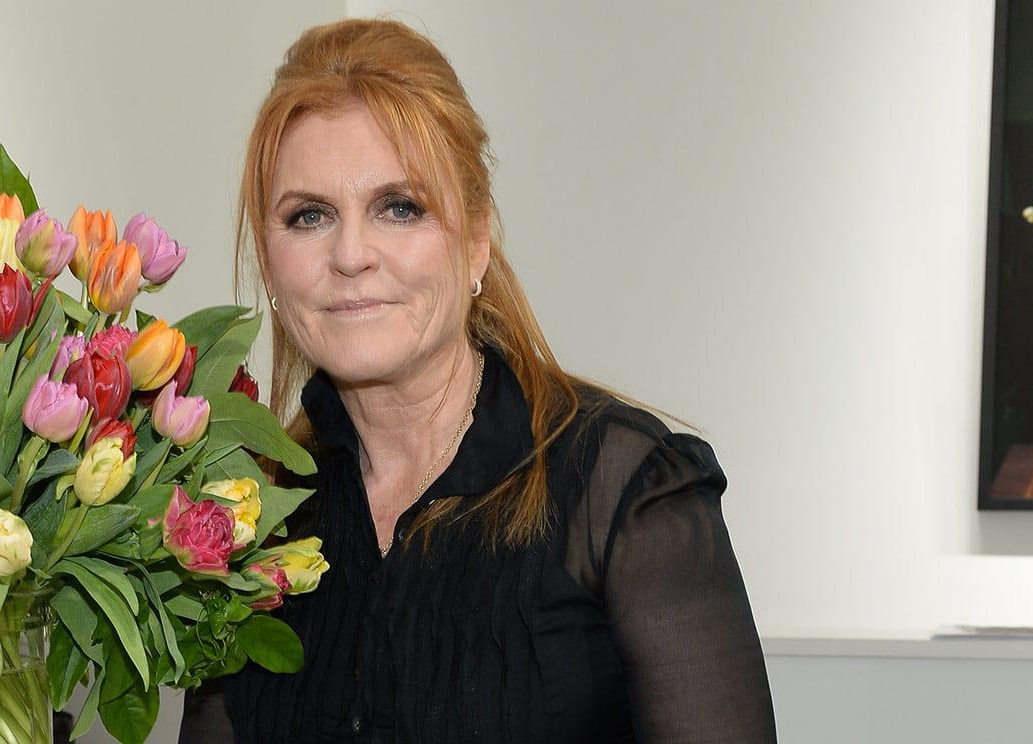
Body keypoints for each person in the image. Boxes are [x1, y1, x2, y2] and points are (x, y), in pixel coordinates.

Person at [179, 17, 777, 743]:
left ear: (476, 241)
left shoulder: (622, 493)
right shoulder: (247, 520)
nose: (351, 254)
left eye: (400, 208)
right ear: (271, 264)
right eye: (309, 216)